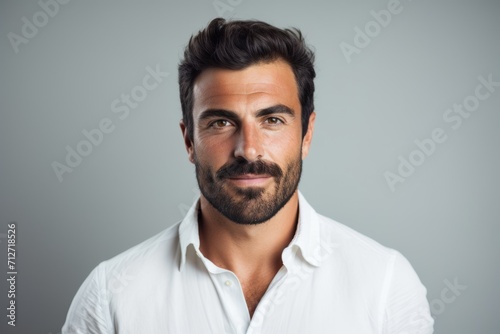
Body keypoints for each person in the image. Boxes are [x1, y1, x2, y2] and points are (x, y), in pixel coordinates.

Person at [62, 18, 434, 333]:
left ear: (306, 134)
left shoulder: (386, 286)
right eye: (221, 122)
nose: (248, 149)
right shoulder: (110, 296)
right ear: (189, 140)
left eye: (272, 120)